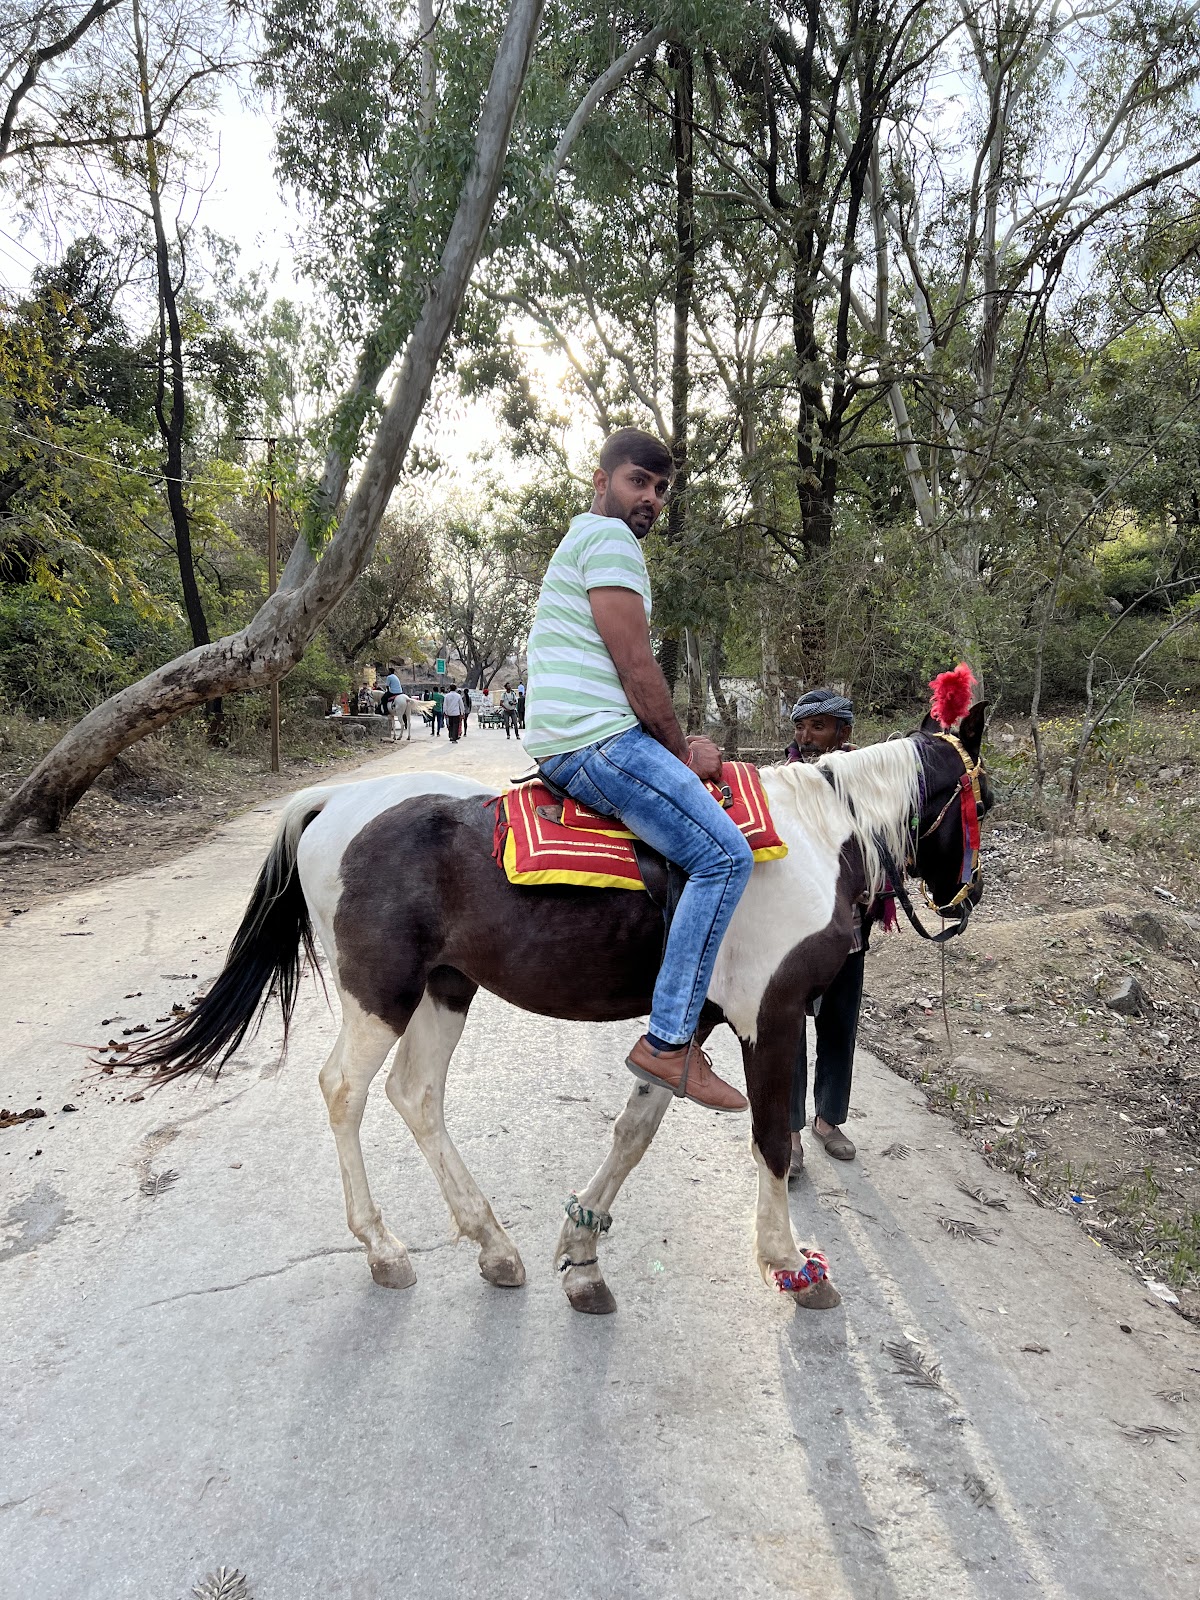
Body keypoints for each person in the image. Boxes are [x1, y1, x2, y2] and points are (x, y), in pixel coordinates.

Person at [524, 428, 753, 1112]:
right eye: (638, 482)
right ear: (602, 479)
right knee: (724, 857)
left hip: (572, 737)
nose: (650, 498)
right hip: (599, 741)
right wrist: (682, 753)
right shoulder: (610, 541)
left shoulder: (580, 541)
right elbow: (636, 668)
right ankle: (669, 1040)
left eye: (660, 489)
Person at [784, 687, 864, 1173]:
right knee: (788, 1026)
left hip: (850, 926)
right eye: (801, 727)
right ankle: (788, 1132)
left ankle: (828, 1120)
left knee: (840, 1022)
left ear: (843, 731)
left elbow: (883, 843)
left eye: (817, 726)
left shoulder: (870, 780)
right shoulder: (783, 779)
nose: (806, 737)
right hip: (792, 926)